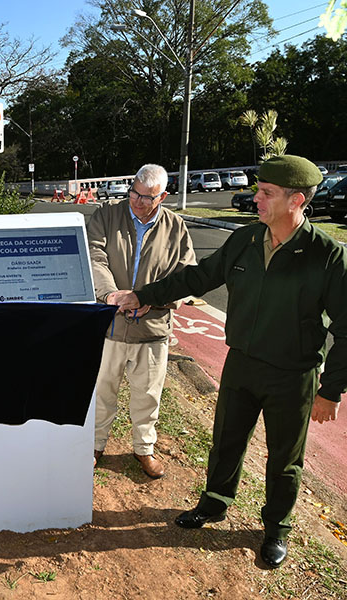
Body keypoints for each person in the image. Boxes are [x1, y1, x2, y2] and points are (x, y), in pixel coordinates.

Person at [111, 155, 346, 568]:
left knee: (284, 459)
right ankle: (215, 503)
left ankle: (276, 529)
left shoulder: (327, 256)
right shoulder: (246, 240)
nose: (256, 198)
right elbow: (197, 278)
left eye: (266, 193)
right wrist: (143, 294)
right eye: (258, 189)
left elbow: (346, 329)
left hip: (293, 376)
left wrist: (330, 391)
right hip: (241, 363)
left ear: (296, 200)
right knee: (226, 442)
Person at [87, 164, 196, 478]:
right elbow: (95, 256)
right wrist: (110, 294)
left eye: (146, 197)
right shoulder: (106, 216)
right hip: (108, 323)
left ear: (162, 196)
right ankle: (95, 445)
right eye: (133, 192)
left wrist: (151, 299)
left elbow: (186, 276)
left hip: (152, 329)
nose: (136, 201)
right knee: (101, 389)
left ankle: (143, 448)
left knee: (147, 394)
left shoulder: (176, 228)